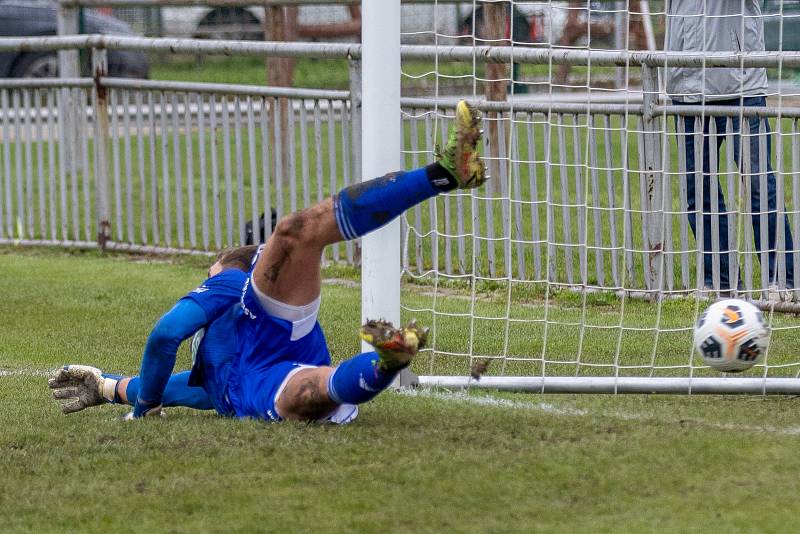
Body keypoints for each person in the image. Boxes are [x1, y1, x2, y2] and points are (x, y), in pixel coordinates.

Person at [49, 100, 486, 423]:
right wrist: (109, 387)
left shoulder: (226, 284)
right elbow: (173, 386)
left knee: (295, 233)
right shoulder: (214, 382)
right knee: (314, 393)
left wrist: (143, 411)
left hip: (268, 325)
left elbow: (166, 334)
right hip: (273, 367)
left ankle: (445, 172)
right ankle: (386, 361)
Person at [666, 0, 795, 295]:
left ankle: (783, 280)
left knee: (760, 185)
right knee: (698, 192)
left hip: (741, 83)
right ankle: (721, 283)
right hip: (687, 86)